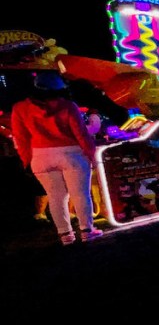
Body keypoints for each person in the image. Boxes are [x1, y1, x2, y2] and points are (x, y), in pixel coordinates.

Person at [10, 70, 103, 245]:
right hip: (72, 154)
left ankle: (65, 235)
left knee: (55, 196)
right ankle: (87, 231)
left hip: (40, 156)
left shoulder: (19, 108)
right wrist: (92, 155)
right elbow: (82, 135)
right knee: (80, 194)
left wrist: (26, 161)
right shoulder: (68, 105)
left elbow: (21, 139)